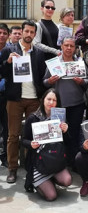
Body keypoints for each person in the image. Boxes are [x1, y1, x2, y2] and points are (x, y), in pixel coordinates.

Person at [0, 20, 46, 183]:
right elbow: (2, 72)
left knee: (33, 135)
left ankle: (30, 166)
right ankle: (12, 168)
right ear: (22, 31)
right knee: (13, 135)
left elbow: (41, 77)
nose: (28, 34)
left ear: (34, 34)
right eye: (26, 31)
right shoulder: (9, 50)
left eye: (32, 32)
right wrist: (8, 63)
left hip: (33, 100)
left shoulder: (39, 53)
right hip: (14, 100)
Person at [43, 37, 88, 169]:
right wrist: (50, 81)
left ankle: (73, 162)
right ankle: (59, 162)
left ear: (75, 48)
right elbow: (44, 82)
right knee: (58, 134)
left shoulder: (80, 63)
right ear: (61, 47)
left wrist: (81, 82)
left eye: (71, 46)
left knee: (73, 134)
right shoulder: (54, 63)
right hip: (58, 106)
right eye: (66, 45)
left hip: (77, 104)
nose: (69, 48)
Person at [23, 88, 72, 201]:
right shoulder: (33, 118)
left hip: (55, 159)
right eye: (48, 99)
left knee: (67, 180)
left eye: (54, 100)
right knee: (51, 196)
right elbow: (24, 140)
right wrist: (31, 144)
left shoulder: (61, 118)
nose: (51, 102)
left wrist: (66, 131)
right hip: (39, 162)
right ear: (42, 100)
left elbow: (69, 142)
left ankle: (52, 179)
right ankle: (35, 182)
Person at [0, 23, 10, 168]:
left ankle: (5, 157)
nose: (1, 35)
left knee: (6, 127)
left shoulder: (10, 50)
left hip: (6, 94)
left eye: (4, 33)